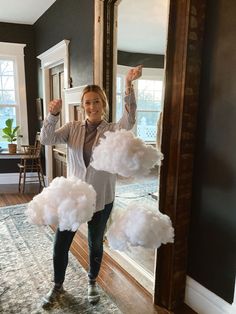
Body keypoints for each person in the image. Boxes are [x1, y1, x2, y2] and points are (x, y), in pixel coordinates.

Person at [40, 65, 142, 308]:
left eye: (96, 102)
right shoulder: (72, 128)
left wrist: (128, 85)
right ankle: (57, 285)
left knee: (95, 243)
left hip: (102, 198)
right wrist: (52, 116)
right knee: (60, 243)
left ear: (103, 104)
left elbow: (130, 119)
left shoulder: (113, 130)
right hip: (73, 198)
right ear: (82, 105)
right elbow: (46, 139)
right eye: (87, 102)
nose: (92, 106)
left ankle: (92, 281)